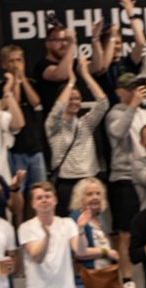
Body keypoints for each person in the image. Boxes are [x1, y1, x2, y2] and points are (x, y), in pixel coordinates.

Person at [106, 74, 146, 288]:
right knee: (125, 232)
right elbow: (118, 132)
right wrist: (132, 106)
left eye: (137, 87)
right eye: (130, 88)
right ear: (119, 91)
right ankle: (127, 278)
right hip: (124, 178)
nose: (135, 91)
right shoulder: (114, 113)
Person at [46, 56, 109, 216]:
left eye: (77, 98)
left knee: (94, 224)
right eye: (70, 98)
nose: (74, 102)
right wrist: (71, 82)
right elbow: (57, 109)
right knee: (68, 225)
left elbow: (103, 103)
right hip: (67, 184)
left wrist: (85, 75)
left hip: (90, 180)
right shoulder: (53, 125)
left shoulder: (85, 123)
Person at [0, 44, 46, 205]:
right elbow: (15, 102)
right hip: (16, 150)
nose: (16, 65)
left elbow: (35, 102)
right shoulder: (1, 86)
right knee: (19, 192)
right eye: (11, 61)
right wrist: (14, 82)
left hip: (35, 147)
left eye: (19, 60)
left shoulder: (31, 83)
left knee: (38, 191)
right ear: (4, 65)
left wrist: (22, 79)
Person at [89, 0, 146, 105]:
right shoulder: (97, 66)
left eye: (118, 43)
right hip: (111, 112)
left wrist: (131, 15)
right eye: (112, 43)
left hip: (133, 108)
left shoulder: (127, 62)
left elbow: (141, 44)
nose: (116, 46)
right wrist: (112, 36)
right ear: (103, 45)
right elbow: (104, 67)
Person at [34, 24, 76, 117]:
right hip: (53, 122)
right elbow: (60, 75)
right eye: (58, 40)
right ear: (47, 44)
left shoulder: (72, 63)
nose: (63, 44)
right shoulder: (41, 65)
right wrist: (71, 44)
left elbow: (99, 68)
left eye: (65, 40)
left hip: (73, 121)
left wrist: (95, 38)